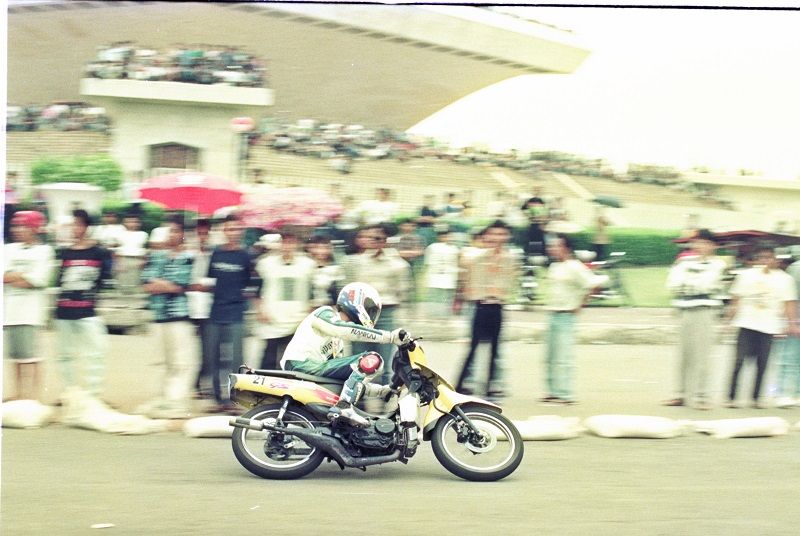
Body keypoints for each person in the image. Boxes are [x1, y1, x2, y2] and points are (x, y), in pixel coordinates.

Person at [280, 282, 408, 427]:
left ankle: (343, 410)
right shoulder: (324, 313)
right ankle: (344, 407)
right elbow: (343, 329)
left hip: (313, 370)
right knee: (372, 359)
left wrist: (381, 391)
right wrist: (389, 337)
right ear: (356, 302)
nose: (372, 315)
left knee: (358, 370)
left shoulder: (338, 343)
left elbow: (347, 382)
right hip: (300, 363)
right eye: (370, 309)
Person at [53, 209, 114, 416]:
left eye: (79, 224)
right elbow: (59, 280)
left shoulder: (99, 253)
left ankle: (93, 395)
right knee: (65, 355)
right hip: (64, 310)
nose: (75, 228)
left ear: (87, 227)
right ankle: (69, 394)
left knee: (96, 352)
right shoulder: (65, 253)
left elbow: (105, 279)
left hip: (88, 311)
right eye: (73, 224)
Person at [724, 244, 799, 408]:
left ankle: (756, 398)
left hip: (769, 325)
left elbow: (789, 303)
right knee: (739, 361)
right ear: (756, 259)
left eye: (769, 257)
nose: (765, 261)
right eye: (761, 258)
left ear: (775, 260)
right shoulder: (746, 275)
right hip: (746, 323)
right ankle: (731, 397)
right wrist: (728, 320)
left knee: (762, 364)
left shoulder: (784, 279)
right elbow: (736, 299)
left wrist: (792, 323)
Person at [139, 218, 198, 418]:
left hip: (179, 315)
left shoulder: (188, 257)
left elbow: (181, 284)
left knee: (181, 362)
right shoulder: (156, 256)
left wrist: (161, 284)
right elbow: (147, 284)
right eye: (169, 231)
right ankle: (159, 399)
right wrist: (166, 285)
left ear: (183, 235)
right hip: (158, 315)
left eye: (176, 231)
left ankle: (176, 402)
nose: (172, 235)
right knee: (158, 361)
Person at [662, 229, 727, 410]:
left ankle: (701, 396)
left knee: (702, 354)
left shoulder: (718, 264)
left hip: (705, 311)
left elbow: (708, 284)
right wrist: (692, 285)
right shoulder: (684, 262)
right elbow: (673, 284)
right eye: (698, 242)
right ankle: (680, 394)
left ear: (713, 246)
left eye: (705, 243)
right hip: (685, 309)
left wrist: (690, 284)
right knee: (684, 354)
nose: (700, 246)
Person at [455, 220, 520, 400]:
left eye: (502, 234)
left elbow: (511, 280)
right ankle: (459, 386)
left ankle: (490, 388)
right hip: (480, 306)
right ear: (487, 236)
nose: (498, 238)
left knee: (494, 349)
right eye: (494, 234)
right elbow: (464, 267)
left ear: (507, 236)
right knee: (473, 347)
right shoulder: (476, 256)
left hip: (497, 306)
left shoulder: (510, 258)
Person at [540, 233, 606, 405]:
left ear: (566, 248)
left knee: (564, 356)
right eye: (551, 246)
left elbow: (594, 285)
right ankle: (552, 391)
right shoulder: (554, 266)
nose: (552, 249)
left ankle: (565, 393)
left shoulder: (575, 267)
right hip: (552, 313)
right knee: (551, 356)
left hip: (566, 315)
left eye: (556, 246)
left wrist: (581, 304)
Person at [347, 223, 412, 385]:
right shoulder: (356, 263)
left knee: (382, 359)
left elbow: (403, 292)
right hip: (361, 313)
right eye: (370, 238)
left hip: (385, 313)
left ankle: (382, 394)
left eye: (378, 238)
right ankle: (357, 394)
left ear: (385, 240)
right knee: (359, 358)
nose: (373, 241)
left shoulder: (397, 264)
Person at [202, 215, 254, 413]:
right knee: (213, 357)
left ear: (241, 232)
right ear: (224, 231)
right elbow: (209, 280)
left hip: (236, 313)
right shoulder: (216, 254)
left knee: (236, 359)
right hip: (216, 312)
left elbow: (251, 283)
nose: (233, 233)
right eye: (229, 229)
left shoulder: (246, 255)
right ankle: (218, 400)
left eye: (236, 229)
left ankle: (235, 400)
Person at [3, 211, 55, 401]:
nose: (17, 230)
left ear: (34, 229)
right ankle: (17, 394)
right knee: (15, 357)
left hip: (31, 312)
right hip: (9, 311)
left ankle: (33, 397)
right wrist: (23, 276)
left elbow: (39, 280)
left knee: (32, 357)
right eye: (16, 226)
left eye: (23, 226)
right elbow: (3, 276)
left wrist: (14, 276)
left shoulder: (45, 251)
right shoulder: (7, 249)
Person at [254, 228, 316, 370]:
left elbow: (312, 292)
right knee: (269, 359)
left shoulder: (308, 265)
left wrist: (309, 313)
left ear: (297, 244)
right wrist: (260, 310)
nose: (288, 246)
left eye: (291, 242)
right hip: (272, 318)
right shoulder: (266, 264)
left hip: (297, 319)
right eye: (285, 242)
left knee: (294, 360)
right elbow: (257, 290)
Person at [187, 218, 214, 398]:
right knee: (189, 349)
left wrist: (205, 286)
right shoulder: (188, 253)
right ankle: (192, 384)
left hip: (207, 306)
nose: (202, 237)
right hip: (189, 306)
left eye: (205, 233)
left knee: (207, 349)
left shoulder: (214, 253)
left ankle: (201, 384)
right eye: (199, 233)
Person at [775, 253, 800, 407]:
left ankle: (796, 394)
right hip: (796, 319)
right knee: (789, 357)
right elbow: (791, 298)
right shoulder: (797, 268)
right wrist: (792, 322)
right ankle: (783, 393)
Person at [423, 226, 461, 321]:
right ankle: (432, 315)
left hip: (450, 276)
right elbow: (428, 262)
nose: (448, 238)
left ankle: (444, 316)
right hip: (435, 276)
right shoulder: (432, 247)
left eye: (449, 236)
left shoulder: (454, 248)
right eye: (445, 236)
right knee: (435, 296)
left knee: (447, 297)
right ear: (439, 237)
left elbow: (457, 262)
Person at [307, 234, 346, 308]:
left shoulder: (336, 269)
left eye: (325, 248)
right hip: (310, 309)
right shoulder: (307, 268)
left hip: (329, 308)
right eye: (317, 248)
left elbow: (339, 293)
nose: (321, 251)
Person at [116, 212, 149, 293]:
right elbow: (117, 250)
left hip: (138, 260)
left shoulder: (143, 234)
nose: (132, 224)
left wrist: (144, 261)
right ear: (124, 223)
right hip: (124, 259)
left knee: (136, 283)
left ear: (139, 223)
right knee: (123, 284)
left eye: (135, 222)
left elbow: (145, 249)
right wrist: (119, 264)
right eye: (129, 221)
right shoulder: (120, 234)